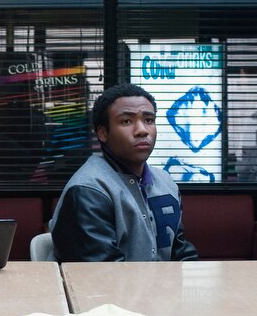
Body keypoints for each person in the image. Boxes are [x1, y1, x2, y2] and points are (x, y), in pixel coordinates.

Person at [49, 83, 198, 262]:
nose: (142, 130)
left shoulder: (165, 182)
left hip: (160, 288)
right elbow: (101, 275)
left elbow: (181, 255)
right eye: (126, 121)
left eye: (149, 120)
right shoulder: (87, 191)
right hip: (106, 288)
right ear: (103, 133)